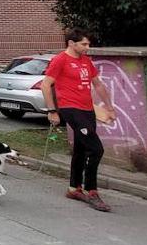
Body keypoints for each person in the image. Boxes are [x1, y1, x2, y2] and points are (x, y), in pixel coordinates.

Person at [40, 28, 117, 212]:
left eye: (88, 44)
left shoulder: (86, 61)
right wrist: (52, 111)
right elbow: (46, 84)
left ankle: (74, 188)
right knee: (96, 149)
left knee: (81, 149)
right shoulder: (60, 60)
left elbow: (98, 84)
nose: (87, 47)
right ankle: (92, 191)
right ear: (71, 43)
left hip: (88, 110)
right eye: (84, 44)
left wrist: (109, 107)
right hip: (70, 109)